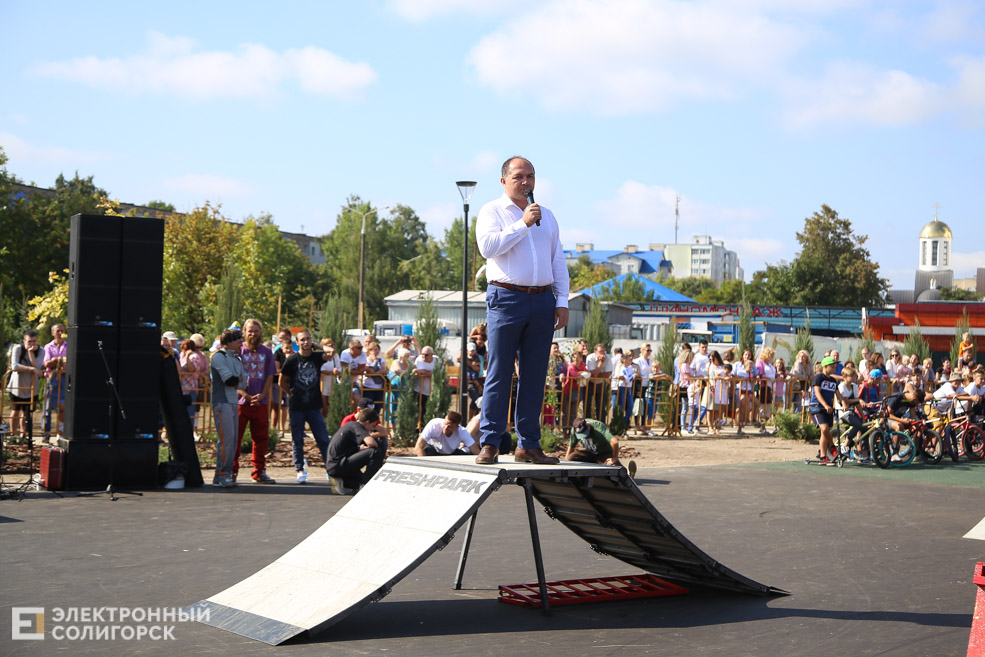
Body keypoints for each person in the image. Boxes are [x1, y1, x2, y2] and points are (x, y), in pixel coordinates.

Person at [474, 156, 569, 465]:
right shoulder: (492, 211)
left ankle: (528, 444)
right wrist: (522, 224)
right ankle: (490, 442)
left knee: (534, 374)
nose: (526, 182)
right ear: (504, 181)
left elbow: (557, 260)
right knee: (499, 371)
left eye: (530, 176)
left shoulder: (548, 217)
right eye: (519, 176)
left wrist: (562, 301)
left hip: (542, 300)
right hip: (506, 298)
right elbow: (488, 248)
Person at [279, 329, 331, 484]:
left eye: (308, 339)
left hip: (314, 405)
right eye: (302, 340)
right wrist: (290, 393)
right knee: (297, 439)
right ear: (297, 343)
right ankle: (300, 469)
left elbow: (331, 352)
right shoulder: (292, 360)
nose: (305, 342)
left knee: (322, 438)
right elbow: (281, 381)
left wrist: (315, 345)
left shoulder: (316, 357)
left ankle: (330, 468)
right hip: (297, 406)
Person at [235, 319, 278, 484]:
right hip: (240, 402)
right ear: (244, 332)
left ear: (261, 332)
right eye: (250, 331)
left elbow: (269, 375)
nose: (253, 334)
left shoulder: (267, 352)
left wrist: (262, 395)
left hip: (261, 402)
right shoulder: (238, 350)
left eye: (256, 331)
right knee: (235, 439)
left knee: (261, 439)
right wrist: (244, 394)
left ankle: (259, 472)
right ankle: (232, 472)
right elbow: (233, 376)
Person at [209, 329, 247, 487]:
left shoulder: (236, 359)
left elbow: (243, 383)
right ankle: (222, 474)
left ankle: (224, 474)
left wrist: (237, 379)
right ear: (229, 342)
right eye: (238, 340)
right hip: (222, 401)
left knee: (233, 440)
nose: (241, 344)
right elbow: (230, 381)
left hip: (233, 401)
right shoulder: (219, 357)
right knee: (226, 440)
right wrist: (237, 379)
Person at [325, 407, 387, 494]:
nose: (371, 430)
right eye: (372, 426)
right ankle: (366, 485)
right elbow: (371, 443)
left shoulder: (350, 426)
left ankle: (340, 481)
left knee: (358, 481)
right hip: (339, 465)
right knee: (375, 452)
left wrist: (360, 448)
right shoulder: (357, 426)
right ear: (367, 422)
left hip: (335, 466)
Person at [810, 356, 848, 464]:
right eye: (832, 366)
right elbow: (817, 393)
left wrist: (844, 403)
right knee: (825, 429)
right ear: (825, 366)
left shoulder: (833, 380)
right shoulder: (819, 377)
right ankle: (833, 447)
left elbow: (838, 395)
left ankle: (823, 457)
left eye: (835, 366)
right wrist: (825, 405)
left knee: (824, 433)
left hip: (829, 409)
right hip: (817, 407)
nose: (834, 368)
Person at [7, 329, 44, 438]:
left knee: (27, 412)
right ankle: (13, 434)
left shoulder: (41, 350)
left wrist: (30, 352)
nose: (32, 344)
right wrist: (31, 369)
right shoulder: (17, 349)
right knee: (16, 410)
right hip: (17, 386)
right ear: (24, 341)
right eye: (29, 342)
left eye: (34, 341)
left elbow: (38, 366)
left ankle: (24, 435)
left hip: (32, 387)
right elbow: (15, 366)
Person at [41, 323, 68, 439]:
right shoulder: (48, 347)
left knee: (63, 406)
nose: (60, 333)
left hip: (64, 378)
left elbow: (69, 363)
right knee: (47, 407)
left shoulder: (69, 345)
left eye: (62, 330)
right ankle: (45, 433)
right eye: (58, 331)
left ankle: (60, 432)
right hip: (51, 378)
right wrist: (60, 360)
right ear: (52, 333)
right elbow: (46, 363)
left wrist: (55, 360)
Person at [415, 411, 479, 456]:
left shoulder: (462, 431)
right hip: (433, 450)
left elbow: (475, 450)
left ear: (456, 427)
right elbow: (418, 447)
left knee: (468, 455)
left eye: (450, 427)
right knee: (427, 451)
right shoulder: (433, 424)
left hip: (451, 453)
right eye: (445, 424)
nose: (445, 428)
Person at [179, 336, 208, 435]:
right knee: (182, 413)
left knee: (191, 413)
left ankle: (189, 434)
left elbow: (192, 370)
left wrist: (187, 357)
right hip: (182, 388)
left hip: (191, 388)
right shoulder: (181, 355)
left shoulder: (194, 356)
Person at [586, 343, 612, 421]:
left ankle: (601, 425)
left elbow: (608, 373)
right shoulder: (590, 358)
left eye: (604, 351)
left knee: (601, 406)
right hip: (589, 383)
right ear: (595, 351)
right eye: (601, 351)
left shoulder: (608, 357)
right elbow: (593, 375)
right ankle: (588, 424)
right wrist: (601, 363)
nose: (603, 354)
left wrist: (597, 374)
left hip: (601, 383)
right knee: (588, 405)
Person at [412, 346, 436, 426]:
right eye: (422, 354)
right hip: (419, 389)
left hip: (432, 391)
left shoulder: (437, 360)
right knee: (419, 412)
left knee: (430, 411)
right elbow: (416, 371)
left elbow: (439, 373)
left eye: (426, 355)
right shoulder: (419, 360)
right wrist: (424, 372)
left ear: (431, 355)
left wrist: (426, 372)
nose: (424, 356)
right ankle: (418, 429)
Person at [319, 338, 342, 418]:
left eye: (333, 344)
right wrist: (331, 372)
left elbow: (339, 369)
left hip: (332, 383)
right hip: (322, 382)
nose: (332, 346)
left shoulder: (335, 356)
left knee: (331, 405)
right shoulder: (320, 355)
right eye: (330, 345)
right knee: (323, 405)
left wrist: (337, 372)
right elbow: (320, 369)